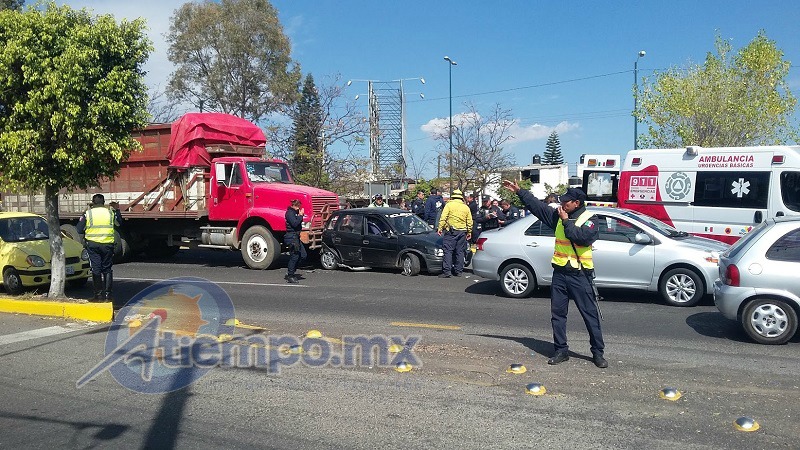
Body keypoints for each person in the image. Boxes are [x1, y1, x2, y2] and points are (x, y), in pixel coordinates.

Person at [503, 181, 607, 369]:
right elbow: (537, 207)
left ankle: (598, 352)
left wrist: (567, 221)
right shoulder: (558, 215)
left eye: (567, 202)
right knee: (558, 315)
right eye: (562, 201)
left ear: (577, 203)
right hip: (560, 273)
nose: (562, 204)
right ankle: (561, 350)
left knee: (590, 315)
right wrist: (520, 191)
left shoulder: (591, 219)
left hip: (580, 274)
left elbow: (582, 238)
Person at [77, 193, 122, 301]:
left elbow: (79, 229)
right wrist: (117, 210)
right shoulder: (110, 213)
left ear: (93, 202)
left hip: (93, 245)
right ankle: (108, 296)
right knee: (107, 269)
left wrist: (82, 217)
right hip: (107, 245)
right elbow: (119, 224)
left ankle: (98, 296)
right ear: (104, 202)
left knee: (96, 270)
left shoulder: (88, 214)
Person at [437, 189, 472, 278]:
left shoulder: (449, 205)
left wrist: (440, 228)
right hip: (462, 232)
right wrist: (469, 231)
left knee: (448, 251)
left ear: (452, 197)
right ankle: (458, 271)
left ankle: (447, 272)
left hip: (451, 231)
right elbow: (469, 221)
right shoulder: (466, 207)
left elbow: (443, 217)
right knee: (460, 251)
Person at [284, 199, 306, 284]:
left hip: (296, 237)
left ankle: (292, 270)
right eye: (298, 207)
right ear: (296, 206)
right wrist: (300, 216)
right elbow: (294, 223)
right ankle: (290, 275)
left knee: (303, 255)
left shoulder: (294, 213)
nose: (299, 209)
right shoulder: (290, 213)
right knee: (295, 256)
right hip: (291, 237)